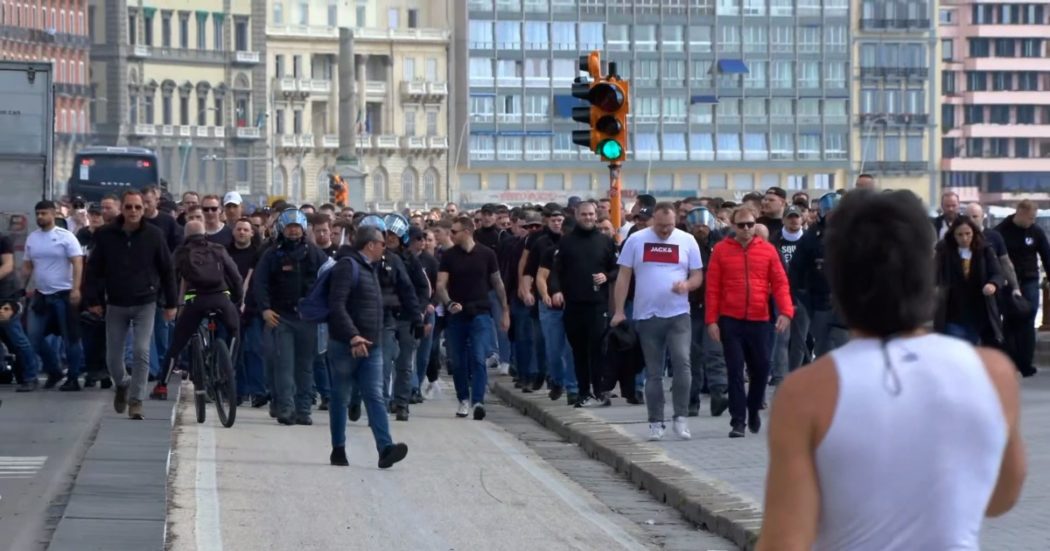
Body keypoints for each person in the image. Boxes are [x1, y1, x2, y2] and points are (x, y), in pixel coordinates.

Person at [757, 189, 1026, 550]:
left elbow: (785, 540)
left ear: (838, 279)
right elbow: (1000, 498)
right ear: (925, 269)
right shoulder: (994, 373)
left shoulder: (805, 392)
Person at [612, 203, 704, 441]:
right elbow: (624, 276)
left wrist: (687, 285)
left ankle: (681, 418)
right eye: (661, 226)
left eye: (670, 226)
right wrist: (619, 310)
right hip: (647, 315)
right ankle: (655, 421)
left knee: (683, 364)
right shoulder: (636, 240)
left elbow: (697, 275)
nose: (665, 231)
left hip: (678, 314)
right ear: (653, 220)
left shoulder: (687, 240)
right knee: (654, 372)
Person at [84, 191, 177, 418]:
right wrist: (93, 299)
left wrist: (171, 303)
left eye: (137, 207)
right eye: (129, 207)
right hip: (116, 302)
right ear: (122, 209)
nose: (133, 211)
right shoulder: (106, 235)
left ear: (143, 209)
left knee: (141, 351)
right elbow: (93, 270)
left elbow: (167, 270)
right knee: (113, 357)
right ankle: (123, 383)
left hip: (146, 301)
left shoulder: (154, 235)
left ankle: (136, 400)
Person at [706, 207, 793, 438]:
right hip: (730, 319)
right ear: (733, 226)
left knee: (762, 368)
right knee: (734, 370)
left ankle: (753, 409)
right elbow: (713, 288)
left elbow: (780, 283)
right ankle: (738, 421)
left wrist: (785, 311)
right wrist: (711, 321)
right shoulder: (722, 251)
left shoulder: (768, 250)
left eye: (750, 224)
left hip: (759, 318)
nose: (746, 229)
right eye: (742, 225)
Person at [326, 225, 409, 469]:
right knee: (340, 397)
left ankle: (385, 448)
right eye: (382, 243)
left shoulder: (370, 268)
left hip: (372, 346)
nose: (385, 247)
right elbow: (337, 305)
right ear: (370, 245)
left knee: (375, 396)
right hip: (345, 345)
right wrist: (353, 336)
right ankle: (338, 448)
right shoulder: (347, 266)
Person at [253, 208, 329, 425]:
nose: (294, 231)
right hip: (281, 317)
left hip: (307, 319)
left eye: (297, 227)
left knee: (305, 366)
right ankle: (286, 408)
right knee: (283, 364)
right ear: (282, 229)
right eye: (290, 227)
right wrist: (265, 309)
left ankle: (304, 409)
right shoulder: (272, 255)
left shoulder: (314, 254)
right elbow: (260, 284)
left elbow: (328, 279)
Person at [153, 221, 243, 400]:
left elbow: (169, 278)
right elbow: (236, 276)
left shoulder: (181, 252)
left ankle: (162, 385)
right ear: (205, 233)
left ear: (186, 236)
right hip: (221, 298)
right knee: (235, 330)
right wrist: (236, 299)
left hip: (195, 301)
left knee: (177, 344)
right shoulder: (218, 249)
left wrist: (167, 302)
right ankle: (227, 367)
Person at [436, 216, 510, 420]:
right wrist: (449, 303)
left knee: (478, 358)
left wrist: (504, 311)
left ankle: (478, 400)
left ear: (467, 231)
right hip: (457, 315)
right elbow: (441, 285)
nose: (451, 235)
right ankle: (463, 399)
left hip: (480, 313)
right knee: (458, 361)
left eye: (455, 231)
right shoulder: (449, 256)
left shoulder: (487, 254)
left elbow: (498, 283)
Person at [548, 200, 618, 407]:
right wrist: (556, 291)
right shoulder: (566, 242)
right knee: (578, 351)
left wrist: (606, 276)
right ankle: (583, 391)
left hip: (597, 305)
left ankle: (599, 390)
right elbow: (555, 272)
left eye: (591, 214)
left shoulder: (605, 241)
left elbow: (617, 269)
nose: (588, 218)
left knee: (597, 348)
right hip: (574, 305)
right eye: (584, 215)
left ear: (596, 215)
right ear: (576, 216)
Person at [21, 200, 87, 392]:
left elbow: (77, 263)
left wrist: (76, 289)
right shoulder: (32, 238)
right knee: (32, 336)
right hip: (41, 295)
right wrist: (21, 290)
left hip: (64, 295)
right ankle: (49, 371)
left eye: (44, 213)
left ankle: (73, 377)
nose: (40, 217)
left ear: (53, 214)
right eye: (38, 214)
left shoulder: (65, 237)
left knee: (70, 339)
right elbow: (27, 267)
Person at [995, 199, 1050, 377]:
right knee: (1010, 322)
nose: (1032, 221)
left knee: (1028, 318)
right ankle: (1010, 361)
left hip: (1029, 280)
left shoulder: (1035, 231)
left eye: (1034, 218)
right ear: (1019, 212)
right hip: (1009, 282)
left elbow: (1046, 255)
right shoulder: (1001, 231)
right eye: (1030, 218)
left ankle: (1026, 363)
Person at [934, 217, 1003, 346]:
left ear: (973, 233)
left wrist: (992, 284)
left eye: (968, 234)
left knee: (972, 347)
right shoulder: (944, 251)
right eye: (960, 235)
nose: (964, 238)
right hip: (952, 311)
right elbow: (934, 274)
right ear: (953, 235)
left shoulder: (984, 250)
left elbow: (997, 273)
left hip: (977, 310)